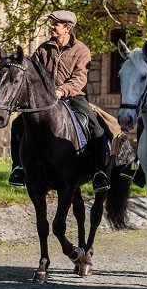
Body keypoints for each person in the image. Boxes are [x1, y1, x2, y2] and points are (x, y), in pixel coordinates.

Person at [8, 10, 111, 192]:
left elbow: (80, 78)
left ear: (67, 28)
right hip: (46, 100)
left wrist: (62, 90)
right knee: (17, 124)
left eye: (55, 24)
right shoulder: (43, 49)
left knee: (96, 127)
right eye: (52, 23)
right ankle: (18, 168)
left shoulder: (82, 50)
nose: (51, 26)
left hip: (74, 97)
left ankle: (99, 172)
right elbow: (32, 72)